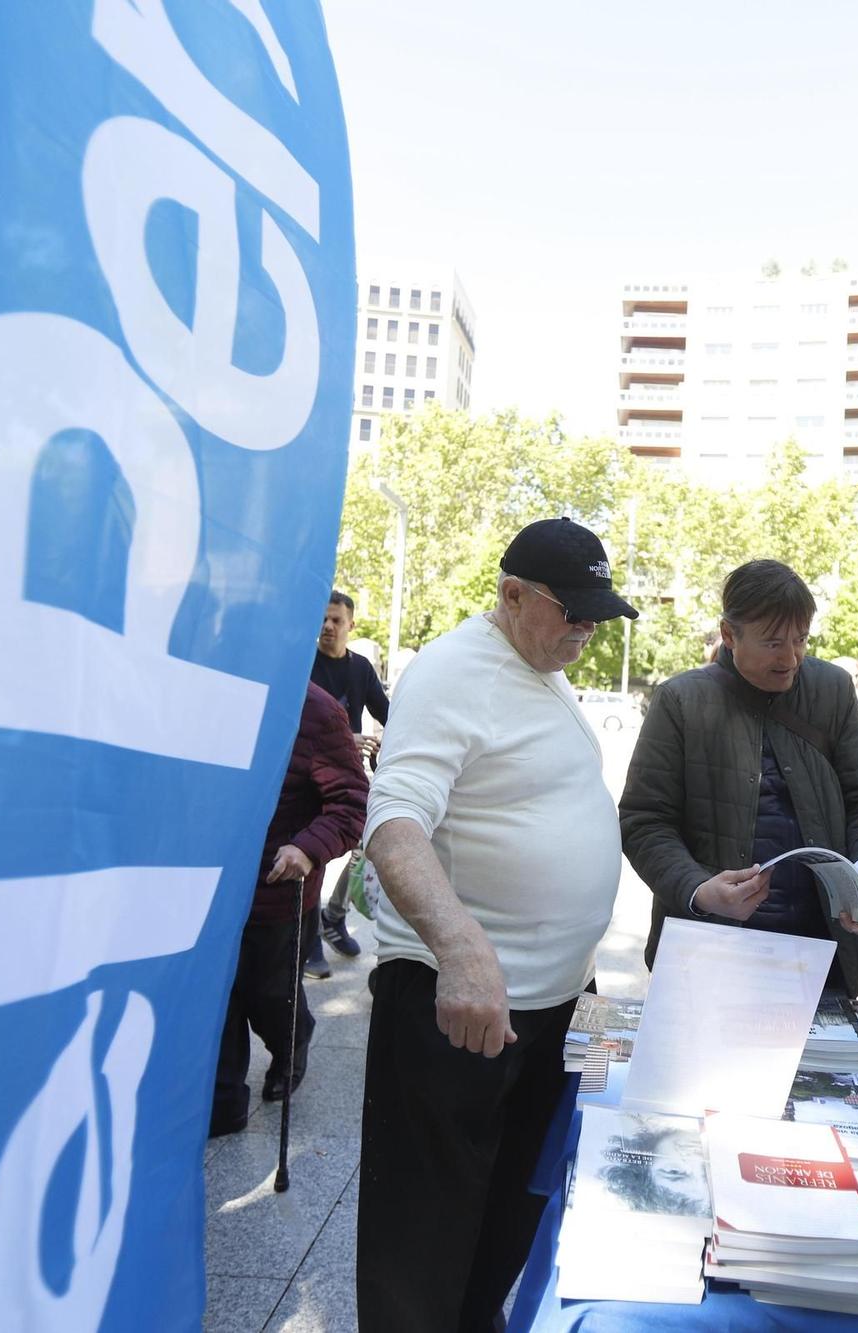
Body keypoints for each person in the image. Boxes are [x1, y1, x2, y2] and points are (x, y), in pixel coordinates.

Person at [355, 517, 638, 1332]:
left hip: (553, 1000)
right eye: (572, 611)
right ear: (512, 594)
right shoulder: (452, 671)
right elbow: (394, 821)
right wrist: (462, 948)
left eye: (597, 615)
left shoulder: (539, 659)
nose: (586, 629)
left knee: (518, 1202)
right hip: (466, 999)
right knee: (424, 1237)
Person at [621, 559, 858, 999]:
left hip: (822, 952)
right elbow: (643, 821)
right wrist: (697, 889)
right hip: (708, 953)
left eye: (801, 639)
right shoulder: (681, 700)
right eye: (772, 643)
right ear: (730, 635)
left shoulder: (833, 689)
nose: (791, 658)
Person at [209, 682, 368, 1137]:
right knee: (220, 1003)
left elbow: (351, 805)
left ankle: (293, 1040)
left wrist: (306, 848)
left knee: (269, 996)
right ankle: (223, 1106)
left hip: (277, 893)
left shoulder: (318, 711)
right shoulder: (211, 691)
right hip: (211, 894)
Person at [310, 590, 389, 971]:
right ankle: (308, 939)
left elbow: (391, 715)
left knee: (364, 843)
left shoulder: (360, 669)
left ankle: (333, 915)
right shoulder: (301, 666)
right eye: (322, 619)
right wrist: (346, 738)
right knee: (312, 853)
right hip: (304, 780)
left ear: (350, 626)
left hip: (346, 779)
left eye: (336, 620)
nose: (327, 626)